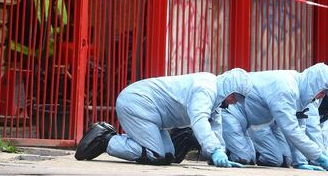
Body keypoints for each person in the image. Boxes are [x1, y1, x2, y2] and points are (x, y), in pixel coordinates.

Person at [74, 68, 252, 167]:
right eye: (235, 97)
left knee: (168, 156)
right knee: (155, 155)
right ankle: (106, 139)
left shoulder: (216, 100)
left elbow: (215, 127)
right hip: (137, 102)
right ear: (228, 89)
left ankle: (129, 141)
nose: (235, 102)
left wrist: (219, 154)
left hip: (151, 113)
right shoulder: (206, 89)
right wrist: (215, 150)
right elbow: (199, 120)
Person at [221, 63, 328, 170]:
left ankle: (241, 147)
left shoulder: (304, 93)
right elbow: (291, 129)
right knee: (244, 158)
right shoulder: (287, 89)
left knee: (283, 159)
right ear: (315, 85)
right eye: (322, 92)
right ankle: (225, 148)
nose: (322, 96)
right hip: (233, 109)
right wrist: (317, 155)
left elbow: (299, 126)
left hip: (255, 122)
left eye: (325, 93)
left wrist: (300, 162)